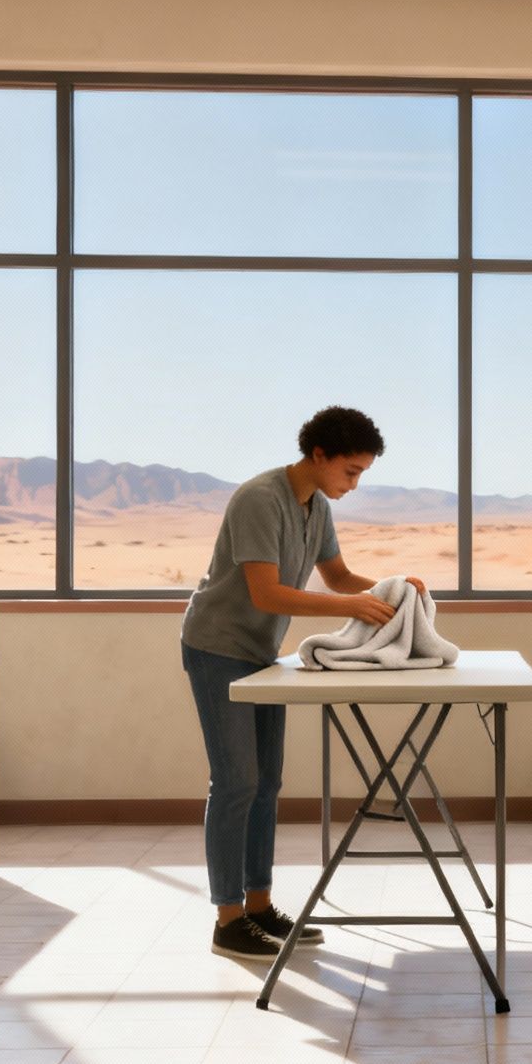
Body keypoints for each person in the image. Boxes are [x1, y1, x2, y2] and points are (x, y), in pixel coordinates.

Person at [180, 406, 427, 961]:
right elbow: (267, 593)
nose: (355, 483)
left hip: (261, 651)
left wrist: (394, 586)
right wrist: (352, 604)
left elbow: (338, 578)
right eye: (351, 471)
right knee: (235, 781)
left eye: (362, 473)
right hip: (217, 647)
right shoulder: (258, 499)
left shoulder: (316, 506)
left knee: (267, 783)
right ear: (319, 456)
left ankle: (259, 907)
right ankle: (227, 920)